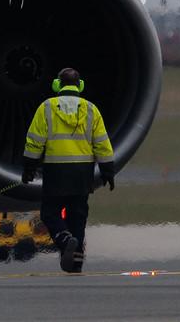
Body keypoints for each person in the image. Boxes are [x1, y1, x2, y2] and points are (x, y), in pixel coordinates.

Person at [21, 66, 115, 274]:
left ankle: (65, 239)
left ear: (57, 85)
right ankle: (76, 263)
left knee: (50, 213)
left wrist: (29, 167)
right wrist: (108, 170)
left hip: (56, 171)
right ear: (79, 85)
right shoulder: (91, 109)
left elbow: (34, 141)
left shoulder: (47, 108)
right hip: (82, 174)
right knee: (78, 216)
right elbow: (102, 143)